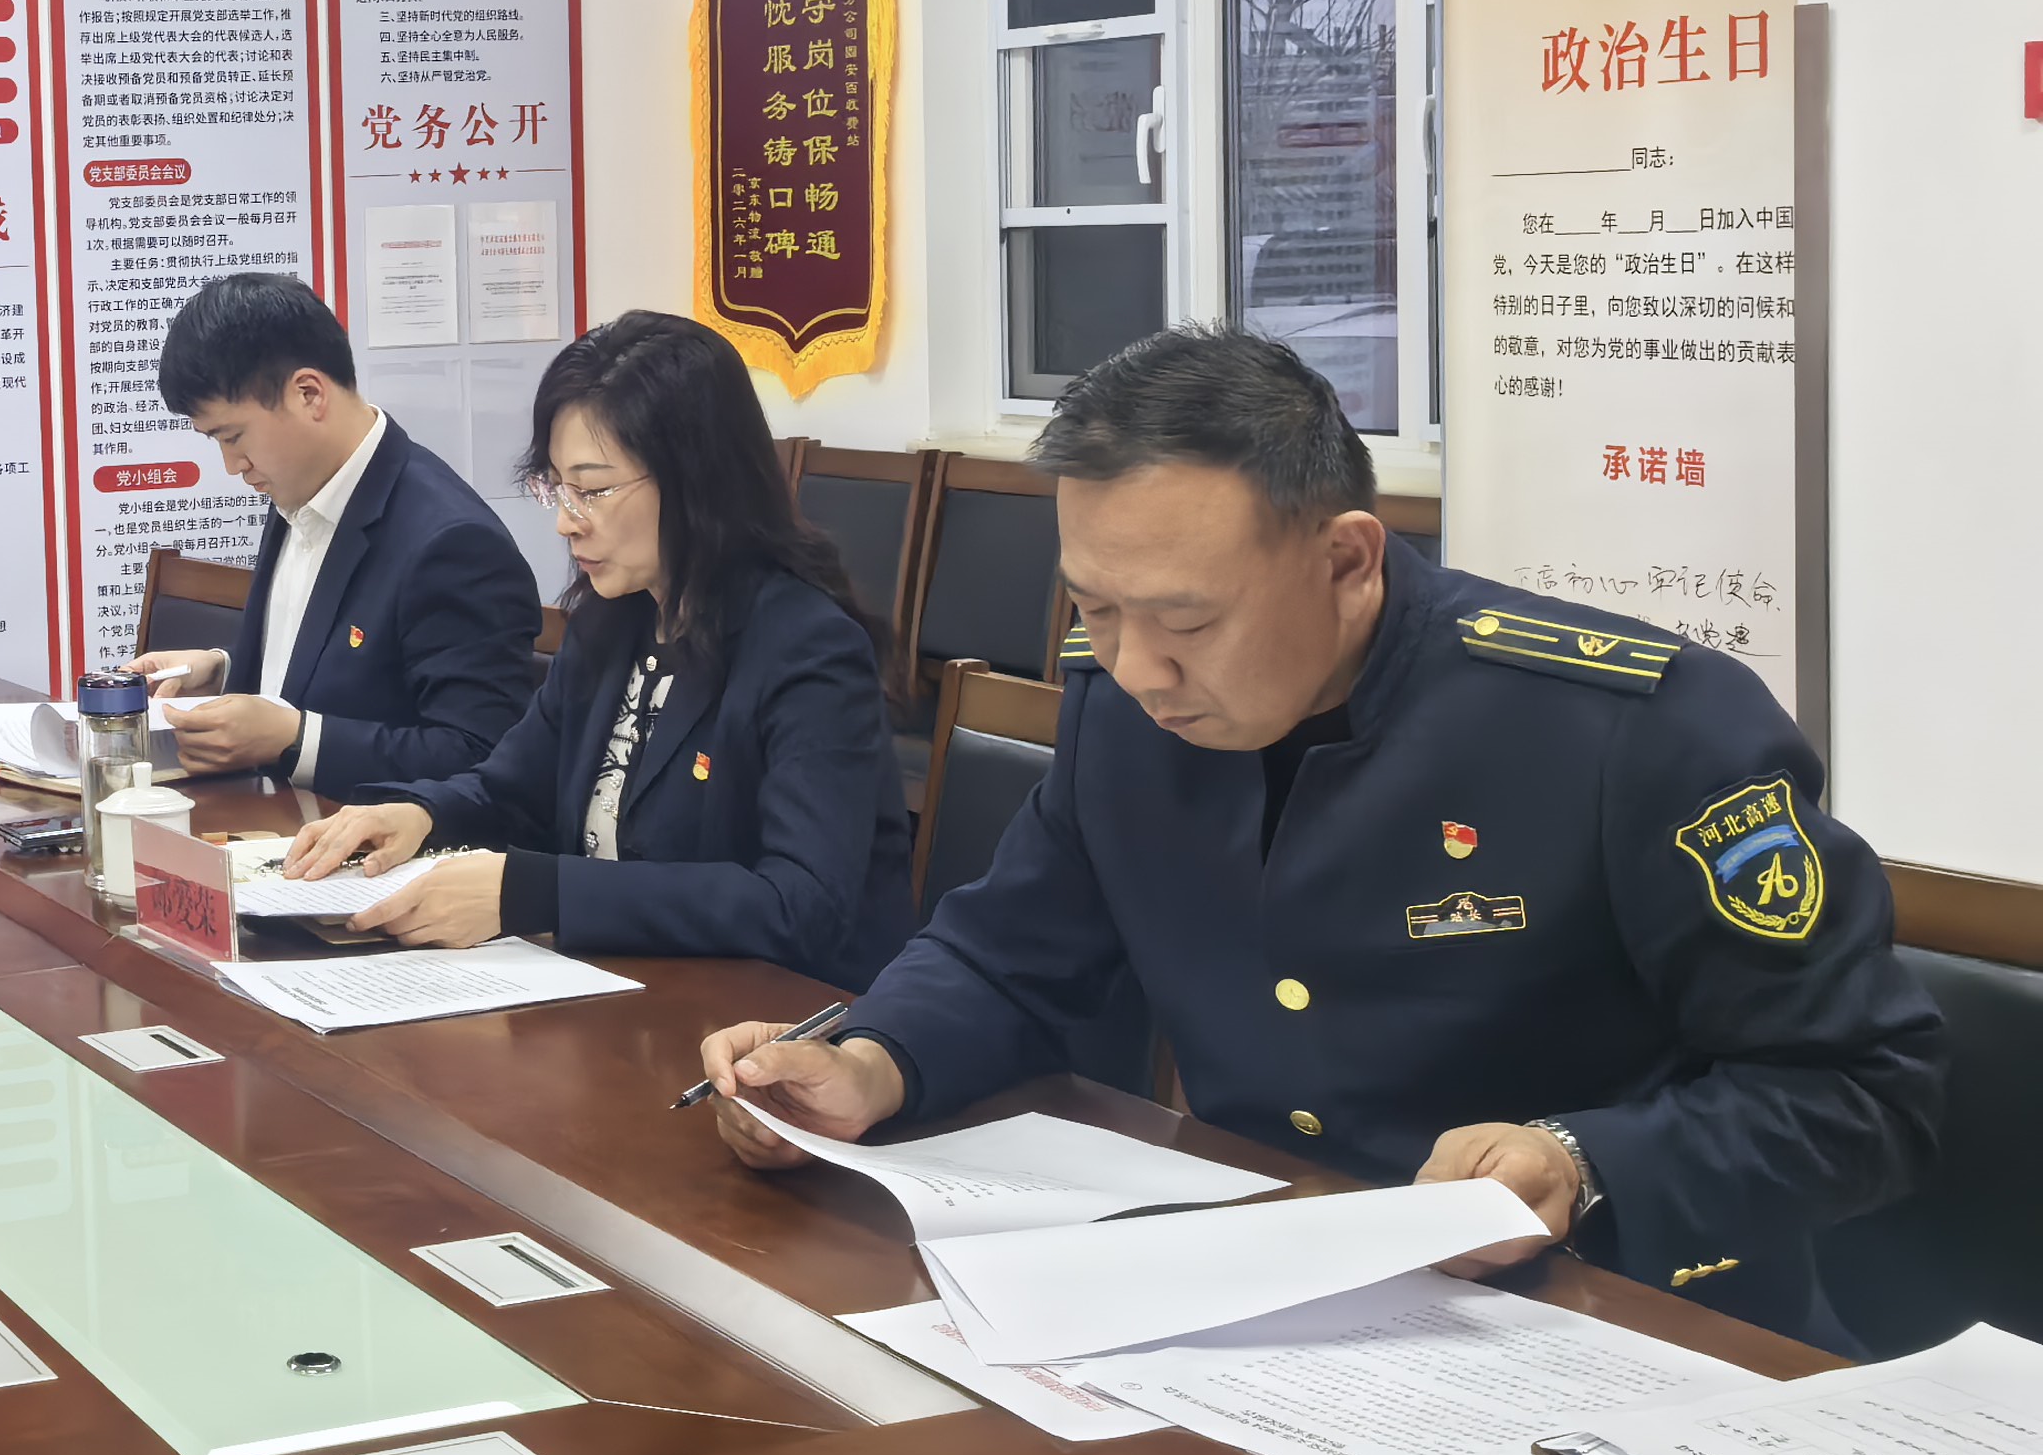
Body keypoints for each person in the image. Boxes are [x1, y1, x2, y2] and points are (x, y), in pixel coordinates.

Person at [695, 324, 1941, 1342]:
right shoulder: (1120, 710)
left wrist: (1580, 1162)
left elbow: (1862, 1093)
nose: (1136, 667)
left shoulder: (1629, 730)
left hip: (1622, 1325)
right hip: (1281, 1314)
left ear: (1347, 561)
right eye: (1094, 608)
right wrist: (871, 1063)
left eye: (1186, 620)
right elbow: (1007, 953)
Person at [281, 310, 910, 976]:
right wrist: (419, 814)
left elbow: (801, 905)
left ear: (697, 480)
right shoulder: (613, 623)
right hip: (623, 986)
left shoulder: (808, 650)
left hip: (773, 1013)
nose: (565, 522)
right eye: (557, 487)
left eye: (593, 490)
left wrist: (536, 893)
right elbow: (512, 789)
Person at [123, 272, 537, 783]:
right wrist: (223, 672)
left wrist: (296, 739)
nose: (232, 465)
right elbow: (329, 670)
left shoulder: (454, 544)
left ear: (309, 394)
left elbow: (481, 756)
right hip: (274, 816)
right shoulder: (300, 484)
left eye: (232, 437)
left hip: (363, 829)